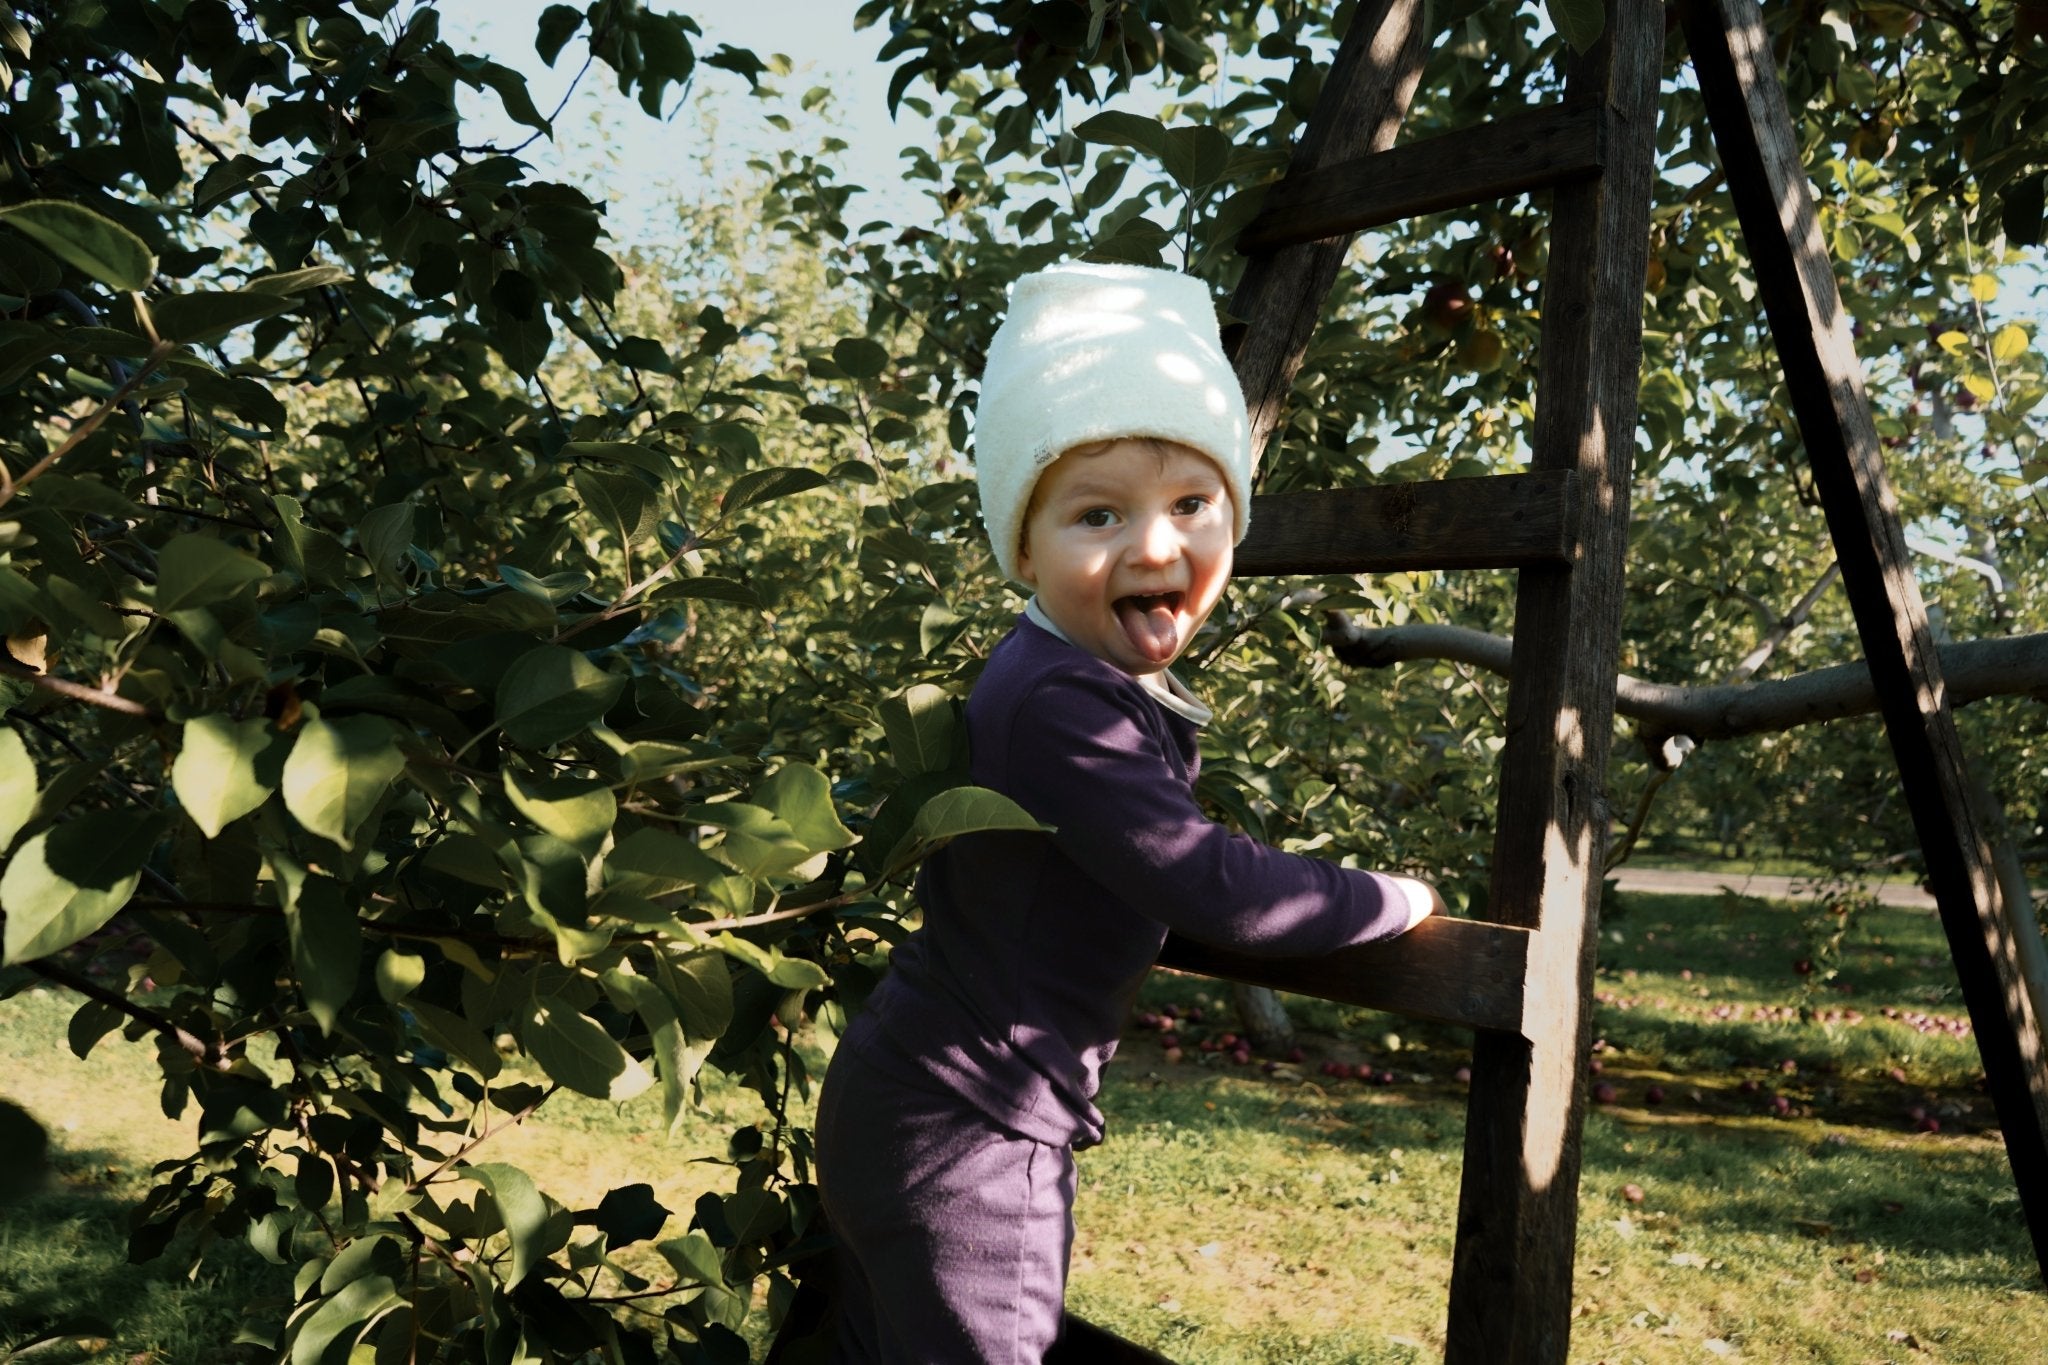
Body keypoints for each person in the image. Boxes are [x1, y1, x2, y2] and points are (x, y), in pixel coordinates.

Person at [812, 260, 1445, 1363]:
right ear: (1021, 546)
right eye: (1096, 514)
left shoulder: (1067, 680)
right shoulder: (1059, 699)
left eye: (1192, 505)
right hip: (969, 1133)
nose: (1155, 547)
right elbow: (1212, 886)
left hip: (923, 1101)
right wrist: (1388, 898)